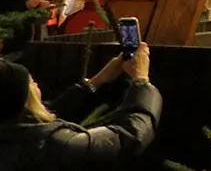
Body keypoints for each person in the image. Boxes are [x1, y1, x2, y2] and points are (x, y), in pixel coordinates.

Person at [0, 44, 159, 167]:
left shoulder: (11, 128)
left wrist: (96, 81)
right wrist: (141, 81)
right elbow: (129, 138)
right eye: (31, 82)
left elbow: (46, 117)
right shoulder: (53, 146)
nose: (36, 83)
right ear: (21, 98)